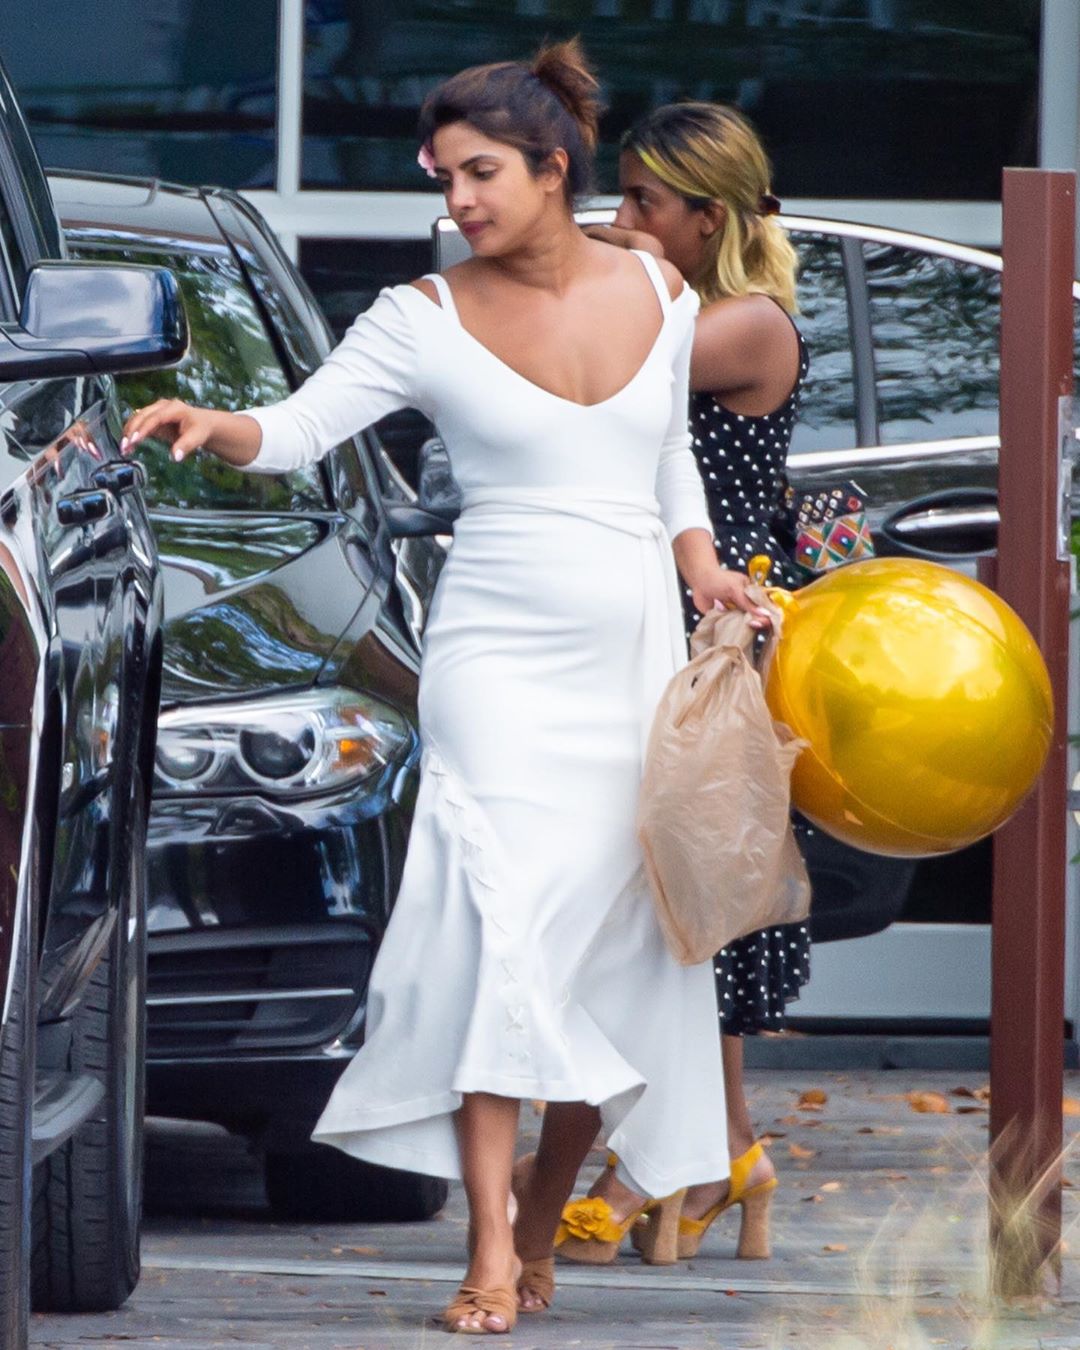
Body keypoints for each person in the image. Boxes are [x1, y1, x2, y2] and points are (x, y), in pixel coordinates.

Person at [121, 44, 770, 1335]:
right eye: (443, 179)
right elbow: (300, 428)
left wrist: (704, 569)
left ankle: (537, 1220)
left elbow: (669, 471)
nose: (459, 199)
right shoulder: (421, 315)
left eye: (481, 174)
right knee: (498, 940)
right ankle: (485, 1248)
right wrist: (214, 423)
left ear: (551, 168)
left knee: (617, 960)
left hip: (630, 660)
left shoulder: (655, 281)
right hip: (494, 663)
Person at [559, 100, 811, 1265]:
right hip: (650, 623)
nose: (623, 219)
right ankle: (721, 1151)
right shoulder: (678, 296)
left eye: (646, 203)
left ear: (710, 217)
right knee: (655, 895)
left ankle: (682, 1159)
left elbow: (618, 359)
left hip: (710, 643)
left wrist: (578, 246)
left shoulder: (748, 326)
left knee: (693, 895)